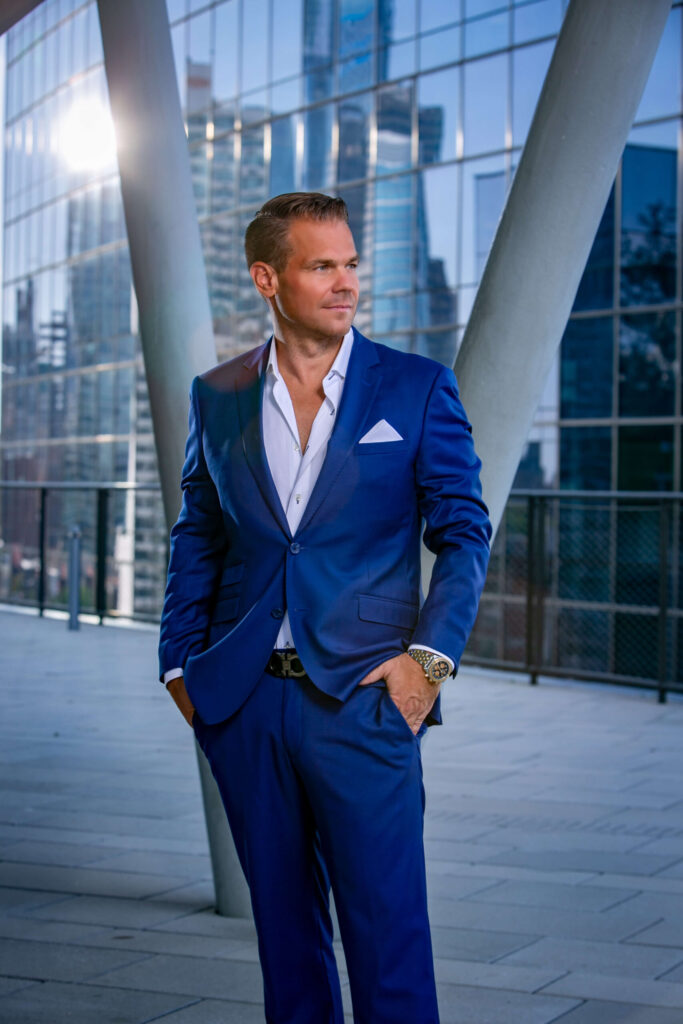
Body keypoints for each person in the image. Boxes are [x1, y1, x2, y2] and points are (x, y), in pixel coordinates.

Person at [158, 191, 491, 1023]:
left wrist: (428, 664)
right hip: (244, 703)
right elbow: (197, 531)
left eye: (350, 263)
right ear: (268, 278)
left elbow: (464, 533)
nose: (345, 283)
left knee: (389, 941)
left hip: (365, 702)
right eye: (321, 266)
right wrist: (177, 664)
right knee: (287, 945)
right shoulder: (219, 393)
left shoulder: (416, 389)